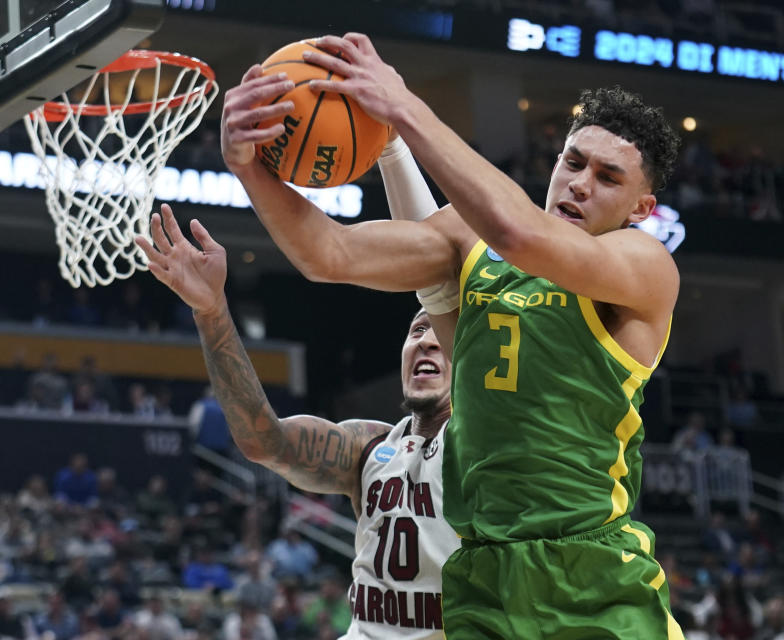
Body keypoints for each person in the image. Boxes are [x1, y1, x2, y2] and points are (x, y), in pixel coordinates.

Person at [219, 32, 681, 637]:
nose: (579, 184)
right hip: (483, 570)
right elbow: (328, 254)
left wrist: (403, 110)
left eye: (607, 177)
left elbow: (521, 234)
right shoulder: (469, 240)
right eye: (573, 163)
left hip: (590, 569)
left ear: (640, 207)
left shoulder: (645, 268)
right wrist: (249, 167)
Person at [135, 206, 459, 638]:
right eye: (417, 331)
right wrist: (212, 312)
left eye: (441, 333)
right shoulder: (368, 447)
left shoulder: (489, 448)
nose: (427, 342)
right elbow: (263, 440)